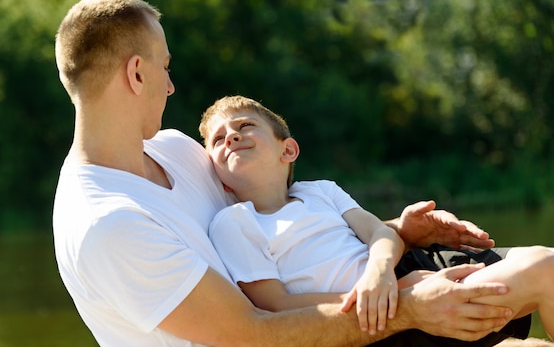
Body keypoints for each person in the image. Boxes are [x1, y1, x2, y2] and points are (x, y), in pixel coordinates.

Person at [53, 0, 520, 347]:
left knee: (534, 282)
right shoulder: (107, 224)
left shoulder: (173, 149)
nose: (171, 86)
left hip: (336, 323)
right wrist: (407, 309)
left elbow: (275, 237)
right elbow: (252, 332)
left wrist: (393, 233)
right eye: (165, 67)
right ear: (136, 74)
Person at [200, 95, 554, 346]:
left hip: (406, 271)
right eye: (218, 139)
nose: (232, 135)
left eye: (245, 126)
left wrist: (380, 272)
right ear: (219, 175)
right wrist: (392, 293)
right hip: (376, 320)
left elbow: (379, 232)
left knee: (546, 262)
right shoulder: (234, 222)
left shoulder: (319, 192)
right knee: (543, 267)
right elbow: (275, 306)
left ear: (287, 150)